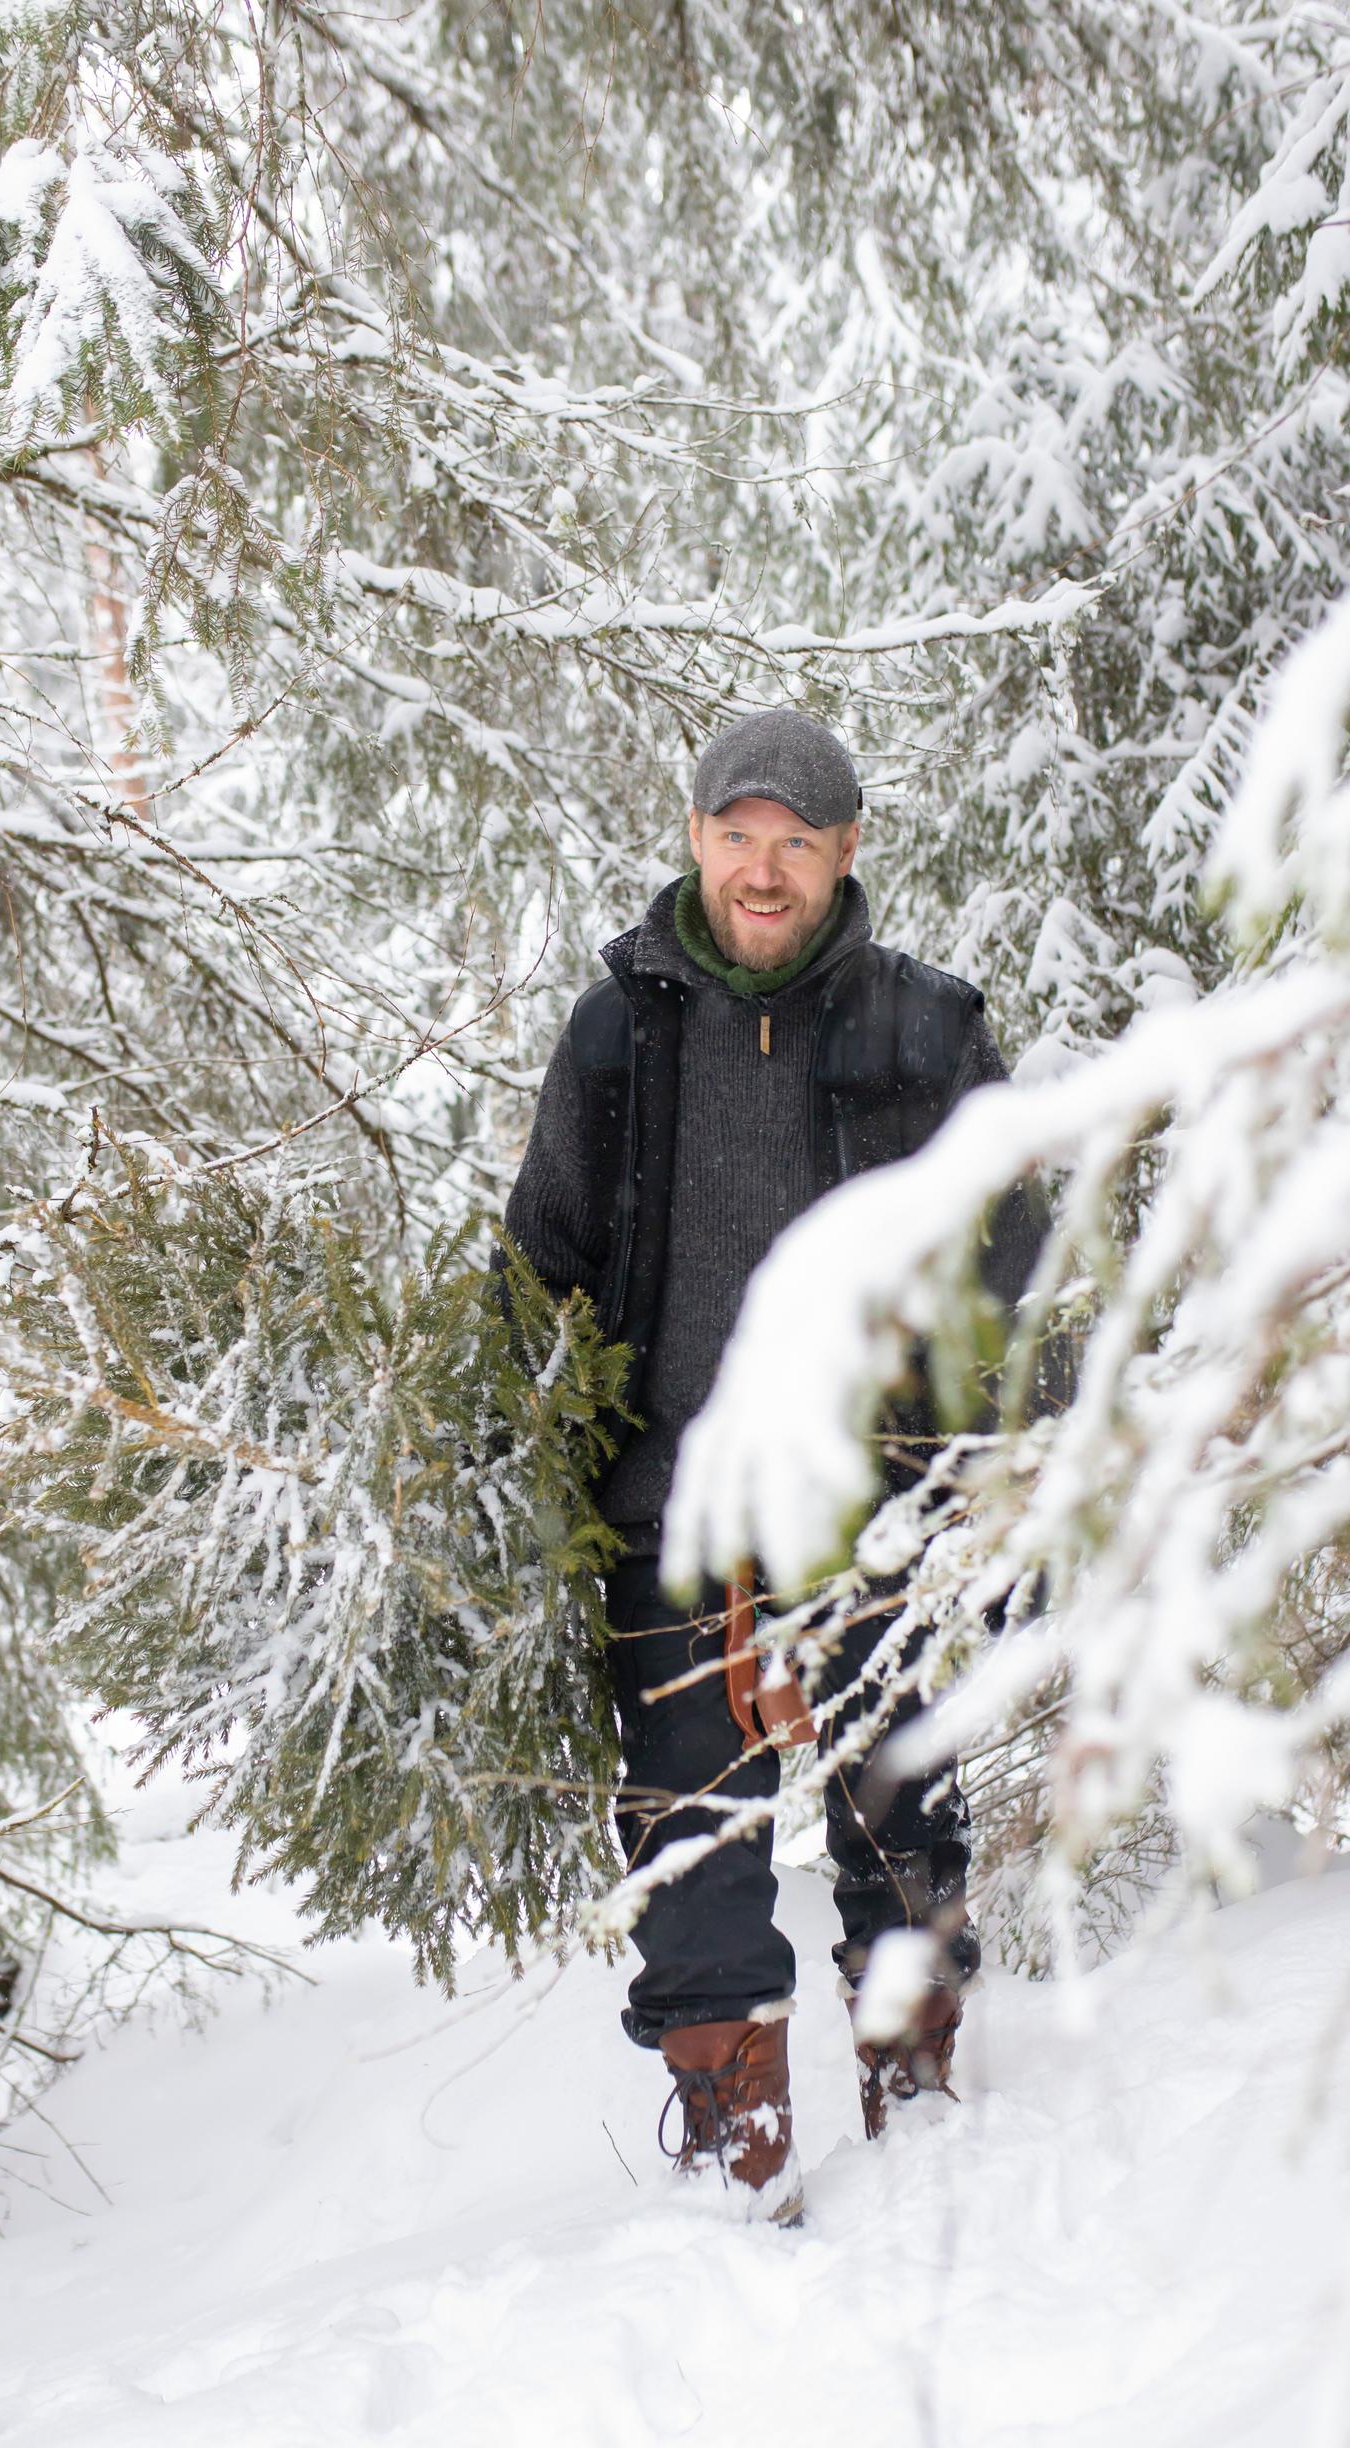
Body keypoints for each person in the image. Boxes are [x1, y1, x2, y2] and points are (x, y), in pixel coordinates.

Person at [502, 706, 1057, 2224]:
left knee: (901, 1810)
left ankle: (918, 2103)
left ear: (845, 852)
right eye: (736, 836)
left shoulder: (926, 1030)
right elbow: (543, 1258)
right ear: (695, 840)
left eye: (793, 842)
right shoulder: (620, 1030)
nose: (762, 869)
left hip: (877, 1511)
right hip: (674, 1517)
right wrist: (520, 1465)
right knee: (688, 1856)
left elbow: (1014, 1263)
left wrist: (1006, 1482)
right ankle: (741, 2165)